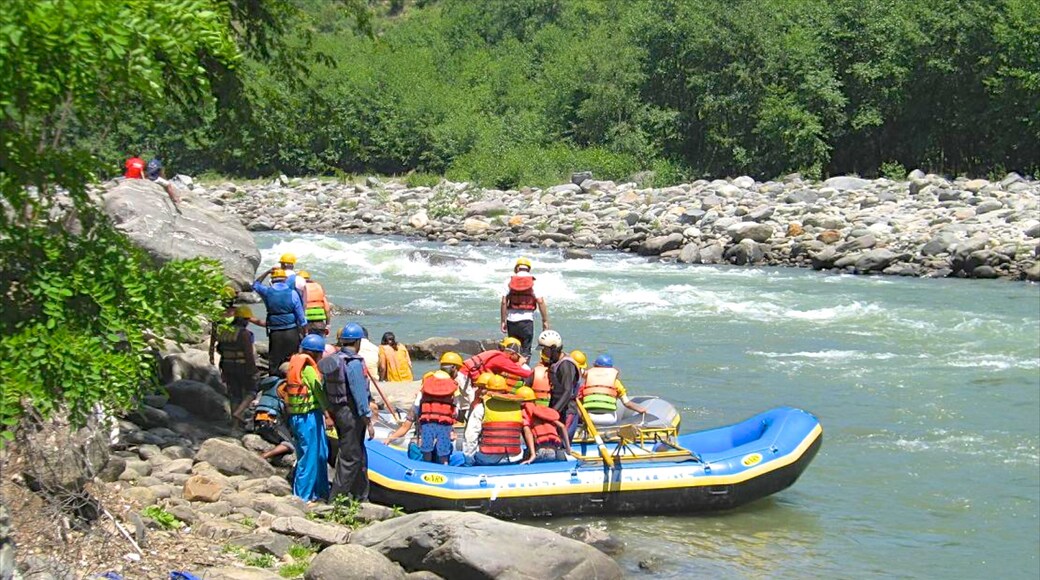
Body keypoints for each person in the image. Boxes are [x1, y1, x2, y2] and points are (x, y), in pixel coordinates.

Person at [318, 323, 374, 502]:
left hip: (338, 410)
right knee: (350, 456)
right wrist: (367, 419)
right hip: (352, 413)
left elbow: (325, 388)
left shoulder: (334, 360)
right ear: (358, 342)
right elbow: (359, 392)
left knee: (358, 453)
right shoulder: (353, 363)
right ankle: (337, 499)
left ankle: (361, 494)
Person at [280, 335, 329, 502]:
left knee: (321, 453)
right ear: (316, 354)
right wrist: (328, 413)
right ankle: (302, 497)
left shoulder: (295, 364)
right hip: (307, 417)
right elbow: (319, 392)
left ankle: (320, 492)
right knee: (308, 457)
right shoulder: (308, 369)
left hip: (301, 416)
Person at [464, 375, 530, 466]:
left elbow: (471, 436)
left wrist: (468, 461)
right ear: (505, 390)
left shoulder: (482, 407)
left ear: (487, 390)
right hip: (514, 458)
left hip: (488, 459)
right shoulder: (517, 406)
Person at [211, 306, 259, 423]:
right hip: (241, 366)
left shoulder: (225, 332)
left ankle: (235, 424)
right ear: (245, 320)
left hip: (227, 366)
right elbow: (248, 355)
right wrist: (253, 371)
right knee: (252, 391)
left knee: (235, 395)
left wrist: (221, 368)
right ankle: (239, 412)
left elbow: (220, 350)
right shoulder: (244, 334)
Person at [253, 267, 307, 369]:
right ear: (285, 280)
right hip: (292, 332)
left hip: (275, 333)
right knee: (292, 361)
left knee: (274, 362)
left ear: (272, 280)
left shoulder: (267, 291)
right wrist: (304, 334)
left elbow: (255, 284)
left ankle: (275, 381)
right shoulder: (293, 293)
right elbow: (301, 318)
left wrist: (267, 271)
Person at [415, 353, 463, 464]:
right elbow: (456, 408)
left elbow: (418, 402)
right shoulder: (453, 385)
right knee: (443, 451)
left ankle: (426, 465)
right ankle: (444, 466)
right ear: (453, 368)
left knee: (426, 449)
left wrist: (418, 418)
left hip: (427, 421)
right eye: (458, 370)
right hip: (444, 423)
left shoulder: (428, 380)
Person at [500, 257, 550, 360]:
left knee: (513, 350)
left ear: (517, 269)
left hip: (511, 321)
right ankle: (525, 373)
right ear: (529, 269)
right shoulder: (534, 282)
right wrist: (545, 321)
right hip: (527, 322)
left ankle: (512, 372)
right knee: (526, 351)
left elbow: (504, 302)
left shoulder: (508, 281)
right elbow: (540, 301)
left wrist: (503, 321)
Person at [460, 338, 533, 409]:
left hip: (465, 375)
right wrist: (522, 364)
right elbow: (524, 373)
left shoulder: (497, 355)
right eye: (518, 356)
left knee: (467, 403)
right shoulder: (502, 359)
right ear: (512, 354)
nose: (517, 359)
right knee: (468, 404)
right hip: (465, 376)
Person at [580, 354, 648, 426]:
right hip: (609, 419)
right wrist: (641, 409)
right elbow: (627, 403)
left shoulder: (587, 380)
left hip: (589, 418)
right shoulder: (616, 382)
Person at [537, 330, 580, 439]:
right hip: (556, 406)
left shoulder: (566, 365)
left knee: (561, 441)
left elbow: (567, 391)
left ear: (553, 348)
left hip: (567, 410)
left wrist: (553, 412)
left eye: (544, 350)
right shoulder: (554, 362)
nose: (543, 353)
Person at [518, 386, 569, 463]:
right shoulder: (543, 411)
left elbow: (527, 432)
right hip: (554, 451)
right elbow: (562, 426)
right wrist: (568, 448)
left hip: (539, 451)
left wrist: (532, 454)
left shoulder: (524, 413)